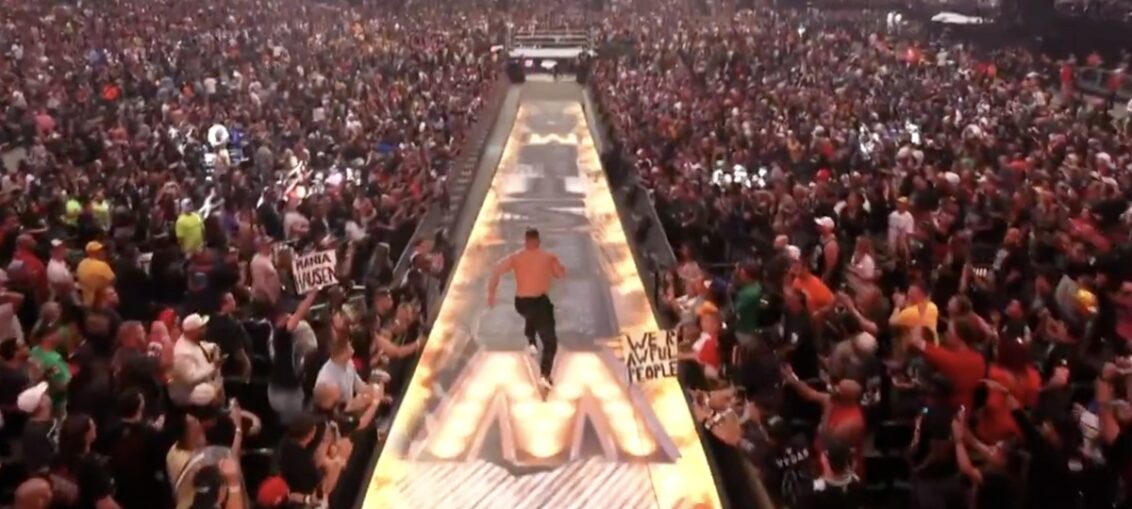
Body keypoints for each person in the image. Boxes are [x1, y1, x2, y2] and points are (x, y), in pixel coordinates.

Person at [487, 227, 566, 391]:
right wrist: (558, 268)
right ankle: (544, 375)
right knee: (550, 342)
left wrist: (491, 293)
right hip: (538, 302)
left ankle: (531, 341)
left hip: (521, 303)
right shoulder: (548, 257)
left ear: (526, 241)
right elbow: (560, 275)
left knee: (532, 315)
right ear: (538, 241)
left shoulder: (517, 257)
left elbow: (497, 269)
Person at [76, 241, 115, 307]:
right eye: (100, 251)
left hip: (86, 303)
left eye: (103, 250)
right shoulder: (102, 265)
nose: (103, 253)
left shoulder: (82, 263)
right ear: (92, 253)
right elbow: (113, 281)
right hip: (102, 303)